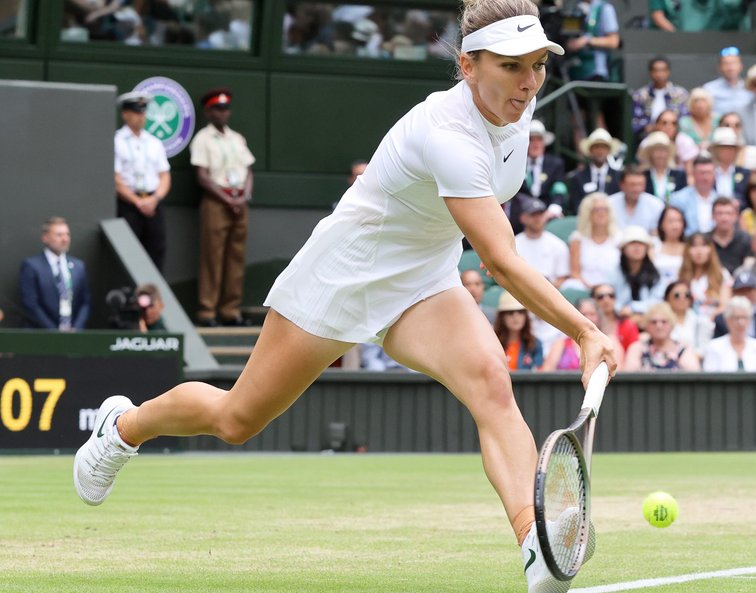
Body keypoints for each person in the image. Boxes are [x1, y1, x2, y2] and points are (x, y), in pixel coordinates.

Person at [73, 8, 618, 593]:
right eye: (512, 67)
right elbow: (500, 262)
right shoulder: (447, 136)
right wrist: (585, 331)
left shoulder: (517, 99)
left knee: (491, 382)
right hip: (344, 274)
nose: (530, 82)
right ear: (466, 66)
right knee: (237, 419)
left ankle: (534, 544)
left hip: (424, 276)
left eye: (537, 66)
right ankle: (122, 426)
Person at [190, 87, 256, 327]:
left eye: (225, 108)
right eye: (217, 109)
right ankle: (207, 311)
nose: (223, 113)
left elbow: (248, 169)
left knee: (236, 257)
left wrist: (244, 195)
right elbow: (202, 175)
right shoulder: (203, 139)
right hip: (217, 201)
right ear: (208, 112)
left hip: (239, 202)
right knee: (213, 256)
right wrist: (227, 199)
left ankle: (231, 310)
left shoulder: (237, 138)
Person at [113, 91, 171, 271]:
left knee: (157, 249)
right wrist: (137, 201)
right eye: (137, 112)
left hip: (153, 204)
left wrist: (154, 200)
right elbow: (115, 178)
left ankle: (154, 296)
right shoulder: (116, 141)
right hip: (128, 205)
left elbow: (164, 176)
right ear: (125, 114)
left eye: (144, 113)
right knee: (130, 253)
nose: (141, 117)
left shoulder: (154, 142)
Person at [18, 217, 91, 330]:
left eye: (67, 234)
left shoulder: (78, 266)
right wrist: (53, 331)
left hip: (73, 335)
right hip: (42, 335)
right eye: (59, 235)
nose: (65, 239)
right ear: (45, 238)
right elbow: (31, 304)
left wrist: (76, 328)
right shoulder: (31, 266)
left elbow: (85, 302)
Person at [713, 271, 756, 364]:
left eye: (749, 291)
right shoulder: (721, 319)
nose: (745, 295)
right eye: (741, 291)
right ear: (733, 293)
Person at [541, 297, 620, 371]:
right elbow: (546, 372)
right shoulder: (561, 343)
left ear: (599, 317)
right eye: (583, 314)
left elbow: (619, 371)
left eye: (592, 314)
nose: (588, 319)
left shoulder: (610, 340)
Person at [563, 192, 619, 289]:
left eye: (605, 209)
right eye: (596, 210)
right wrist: (592, 289)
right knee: (570, 285)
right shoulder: (577, 238)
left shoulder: (618, 238)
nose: (601, 213)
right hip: (585, 287)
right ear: (587, 213)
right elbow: (575, 273)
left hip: (614, 288)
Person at [622, 302, 700, 371]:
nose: (659, 326)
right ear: (646, 325)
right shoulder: (638, 348)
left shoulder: (682, 349)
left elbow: (694, 375)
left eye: (664, 322)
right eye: (654, 322)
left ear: (671, 325)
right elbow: (629, 374)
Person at [610, 225, 664, 323]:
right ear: (623, 248)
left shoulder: (656, 274)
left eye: (641, 243)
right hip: (618, 320)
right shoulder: (613, 273)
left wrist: (633, 308)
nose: (637, 247)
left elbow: (657, 301)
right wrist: (623, 311)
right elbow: (610, 300)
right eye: (632, 243)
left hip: (650, 321)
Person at [703, 296, 756, 372]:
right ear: (727, 320)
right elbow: (710, 379)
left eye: (745, 317)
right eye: (737, 318)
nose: (741, 323)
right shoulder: (714, 347)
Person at [630, 56, 689, 141]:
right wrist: (648, 127)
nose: (659, 74)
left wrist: (671, 127)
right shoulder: (640, 95)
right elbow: (634, 122)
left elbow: (685, 119)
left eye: (663, 70)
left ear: (668, 72)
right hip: (648, 137)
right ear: (650, 72)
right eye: (656, 70)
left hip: (675, 137)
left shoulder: (680, 94)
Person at [515, 197, 570, 287]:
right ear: (523, 218)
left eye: (540, 214)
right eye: (533, 215)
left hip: (551, 289)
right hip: (521, 289)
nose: (537, 219)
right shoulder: (514, 244)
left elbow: (562, 277)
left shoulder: (557, 244)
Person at [566, 128, 622, 213]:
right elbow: (575, 206)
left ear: (609, 151)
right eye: (596, 147)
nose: (600, 151)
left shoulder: (618, 176)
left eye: (604, 147)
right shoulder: (578, 177)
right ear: (590, 150)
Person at [677, 232, 731, 320]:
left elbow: (725, 306)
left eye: (703, 245)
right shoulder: (679, 275)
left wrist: (708, 321)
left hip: (714, 323)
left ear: (711, 249)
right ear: (687, 250)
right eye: (694, 246)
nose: (699, 251)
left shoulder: (722, 274)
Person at [522, 120, 568, 215]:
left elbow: (559, 189)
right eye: (531, 139)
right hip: (522, 213)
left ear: (544, 142)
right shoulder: (518, 163)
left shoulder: (555, 164)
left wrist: (554, 207)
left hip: (547, 212)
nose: (535, 144)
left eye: (539, 139)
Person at [494, 291, 544, 371]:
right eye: (510, 313)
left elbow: (537, 375)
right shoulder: (493, 344)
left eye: (520, 312)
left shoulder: (535, 344)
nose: (516, 316)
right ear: (502, 317)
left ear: (526, 316)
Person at [607, 166, 665, 233]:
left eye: (640, 184)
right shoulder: (609, 204)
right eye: (632, 185)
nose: (636, 189)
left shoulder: (656, 205)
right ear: (622, 185)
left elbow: (656, 235)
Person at [670, 155, 718, 235]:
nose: (705, 177)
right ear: (693, 174)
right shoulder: (678, 199)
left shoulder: (719, 199)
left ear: (714, 175)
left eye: (709, 173)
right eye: (702, 173)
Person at [664, 280, 713, 358]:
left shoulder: (700, 321)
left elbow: (703, 349)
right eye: (677, 295)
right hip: (667, 364)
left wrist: (687, 360)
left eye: (686, 295)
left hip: (694, 365)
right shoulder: (659, 321)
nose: (682, 298)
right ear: (667, 298)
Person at [637, 130, 687, 202]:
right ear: (650, 153)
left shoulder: (679, 175)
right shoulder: (643, 175)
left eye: (663, 150)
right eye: (656, 150)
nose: (660, 154)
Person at [702, 46, 752, 118]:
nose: (730, 68)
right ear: (719, 67)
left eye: (734, 63)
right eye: (726, 64)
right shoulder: (709, 89)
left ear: (741, 66)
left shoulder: (750, 88)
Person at [589, 283, 640, 353]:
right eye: (600, 297)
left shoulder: (627, 325)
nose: (606, 300)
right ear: (593, 300)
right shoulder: (590, 325)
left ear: (615, 299)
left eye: (611, 296)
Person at [707, 196, 752, 274]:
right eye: (719, 213)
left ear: (736, 216)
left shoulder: (746, 239)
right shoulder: (705, 240)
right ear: (712, 216)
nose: (724, 218)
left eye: (729, 213)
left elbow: (749, 267)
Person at [708, 126, 750, 206]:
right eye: (723, 148)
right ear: (716, 150)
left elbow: (748, 199)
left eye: (731, 148)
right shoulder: (709, 172)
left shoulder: (745, 174)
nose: (727, 151)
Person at [653, 109, 700, 173]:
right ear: (657, 125)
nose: (669, 126)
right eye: (664, 123)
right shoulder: (649, 142)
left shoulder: (685, 141)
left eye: (673, 123)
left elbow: (690, 174)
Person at [652, 205, 687, 286]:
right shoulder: (653, 245)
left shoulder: (689, 247)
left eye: (679, 221)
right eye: (671, 221)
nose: (676, 226)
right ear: (661, 224)